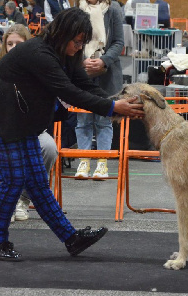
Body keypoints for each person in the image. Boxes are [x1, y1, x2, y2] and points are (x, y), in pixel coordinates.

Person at [0, 7, 144, 261]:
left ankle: (72, 239)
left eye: (83, 42)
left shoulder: (66, 51)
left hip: (19, 117)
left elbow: (81, 83)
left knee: (38, 182)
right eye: (77, 41)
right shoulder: (38, 53)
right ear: (64, 34)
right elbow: (68, 92)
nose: (79, 47)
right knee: (14, 179)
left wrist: (113, 103)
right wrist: (111, 107)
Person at [0, 24, 56, 222]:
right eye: (10, 43)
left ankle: (23, 199)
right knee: (9, 151)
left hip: (32, 128)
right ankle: (9, 201)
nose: (13, 47)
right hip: (1, 129)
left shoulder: (38, 70)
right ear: (4, 46)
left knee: (49, 147)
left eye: (18, 44)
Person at [74, 0, 124, 179]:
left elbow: (119, 42)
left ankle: (102, 164)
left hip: (107, 74)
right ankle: (84, 161)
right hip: (82, 72)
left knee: (104, 121)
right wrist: (81, 62)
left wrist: (104, 60)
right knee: (83, 121)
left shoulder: (114, 9)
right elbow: (69, 41)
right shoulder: (76, 9)